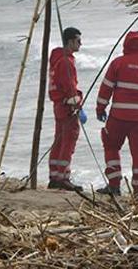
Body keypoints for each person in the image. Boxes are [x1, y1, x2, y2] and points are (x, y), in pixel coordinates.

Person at [95, 31, 138, 195]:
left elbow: (106, 88)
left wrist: (100, 109)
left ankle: (114, 185)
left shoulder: (118, 63)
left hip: (119, 117)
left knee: (111, 146)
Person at [47, 27, 87, 191]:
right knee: (68, 140)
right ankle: (63, 177)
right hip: (67, 106)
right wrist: (78, 106)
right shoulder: (65, 61)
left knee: (59, 140)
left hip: (59, 105)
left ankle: (55, 175)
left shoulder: (59, 59)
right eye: (78, 41)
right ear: (70, 41)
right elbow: (69, 87)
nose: (81, 44)